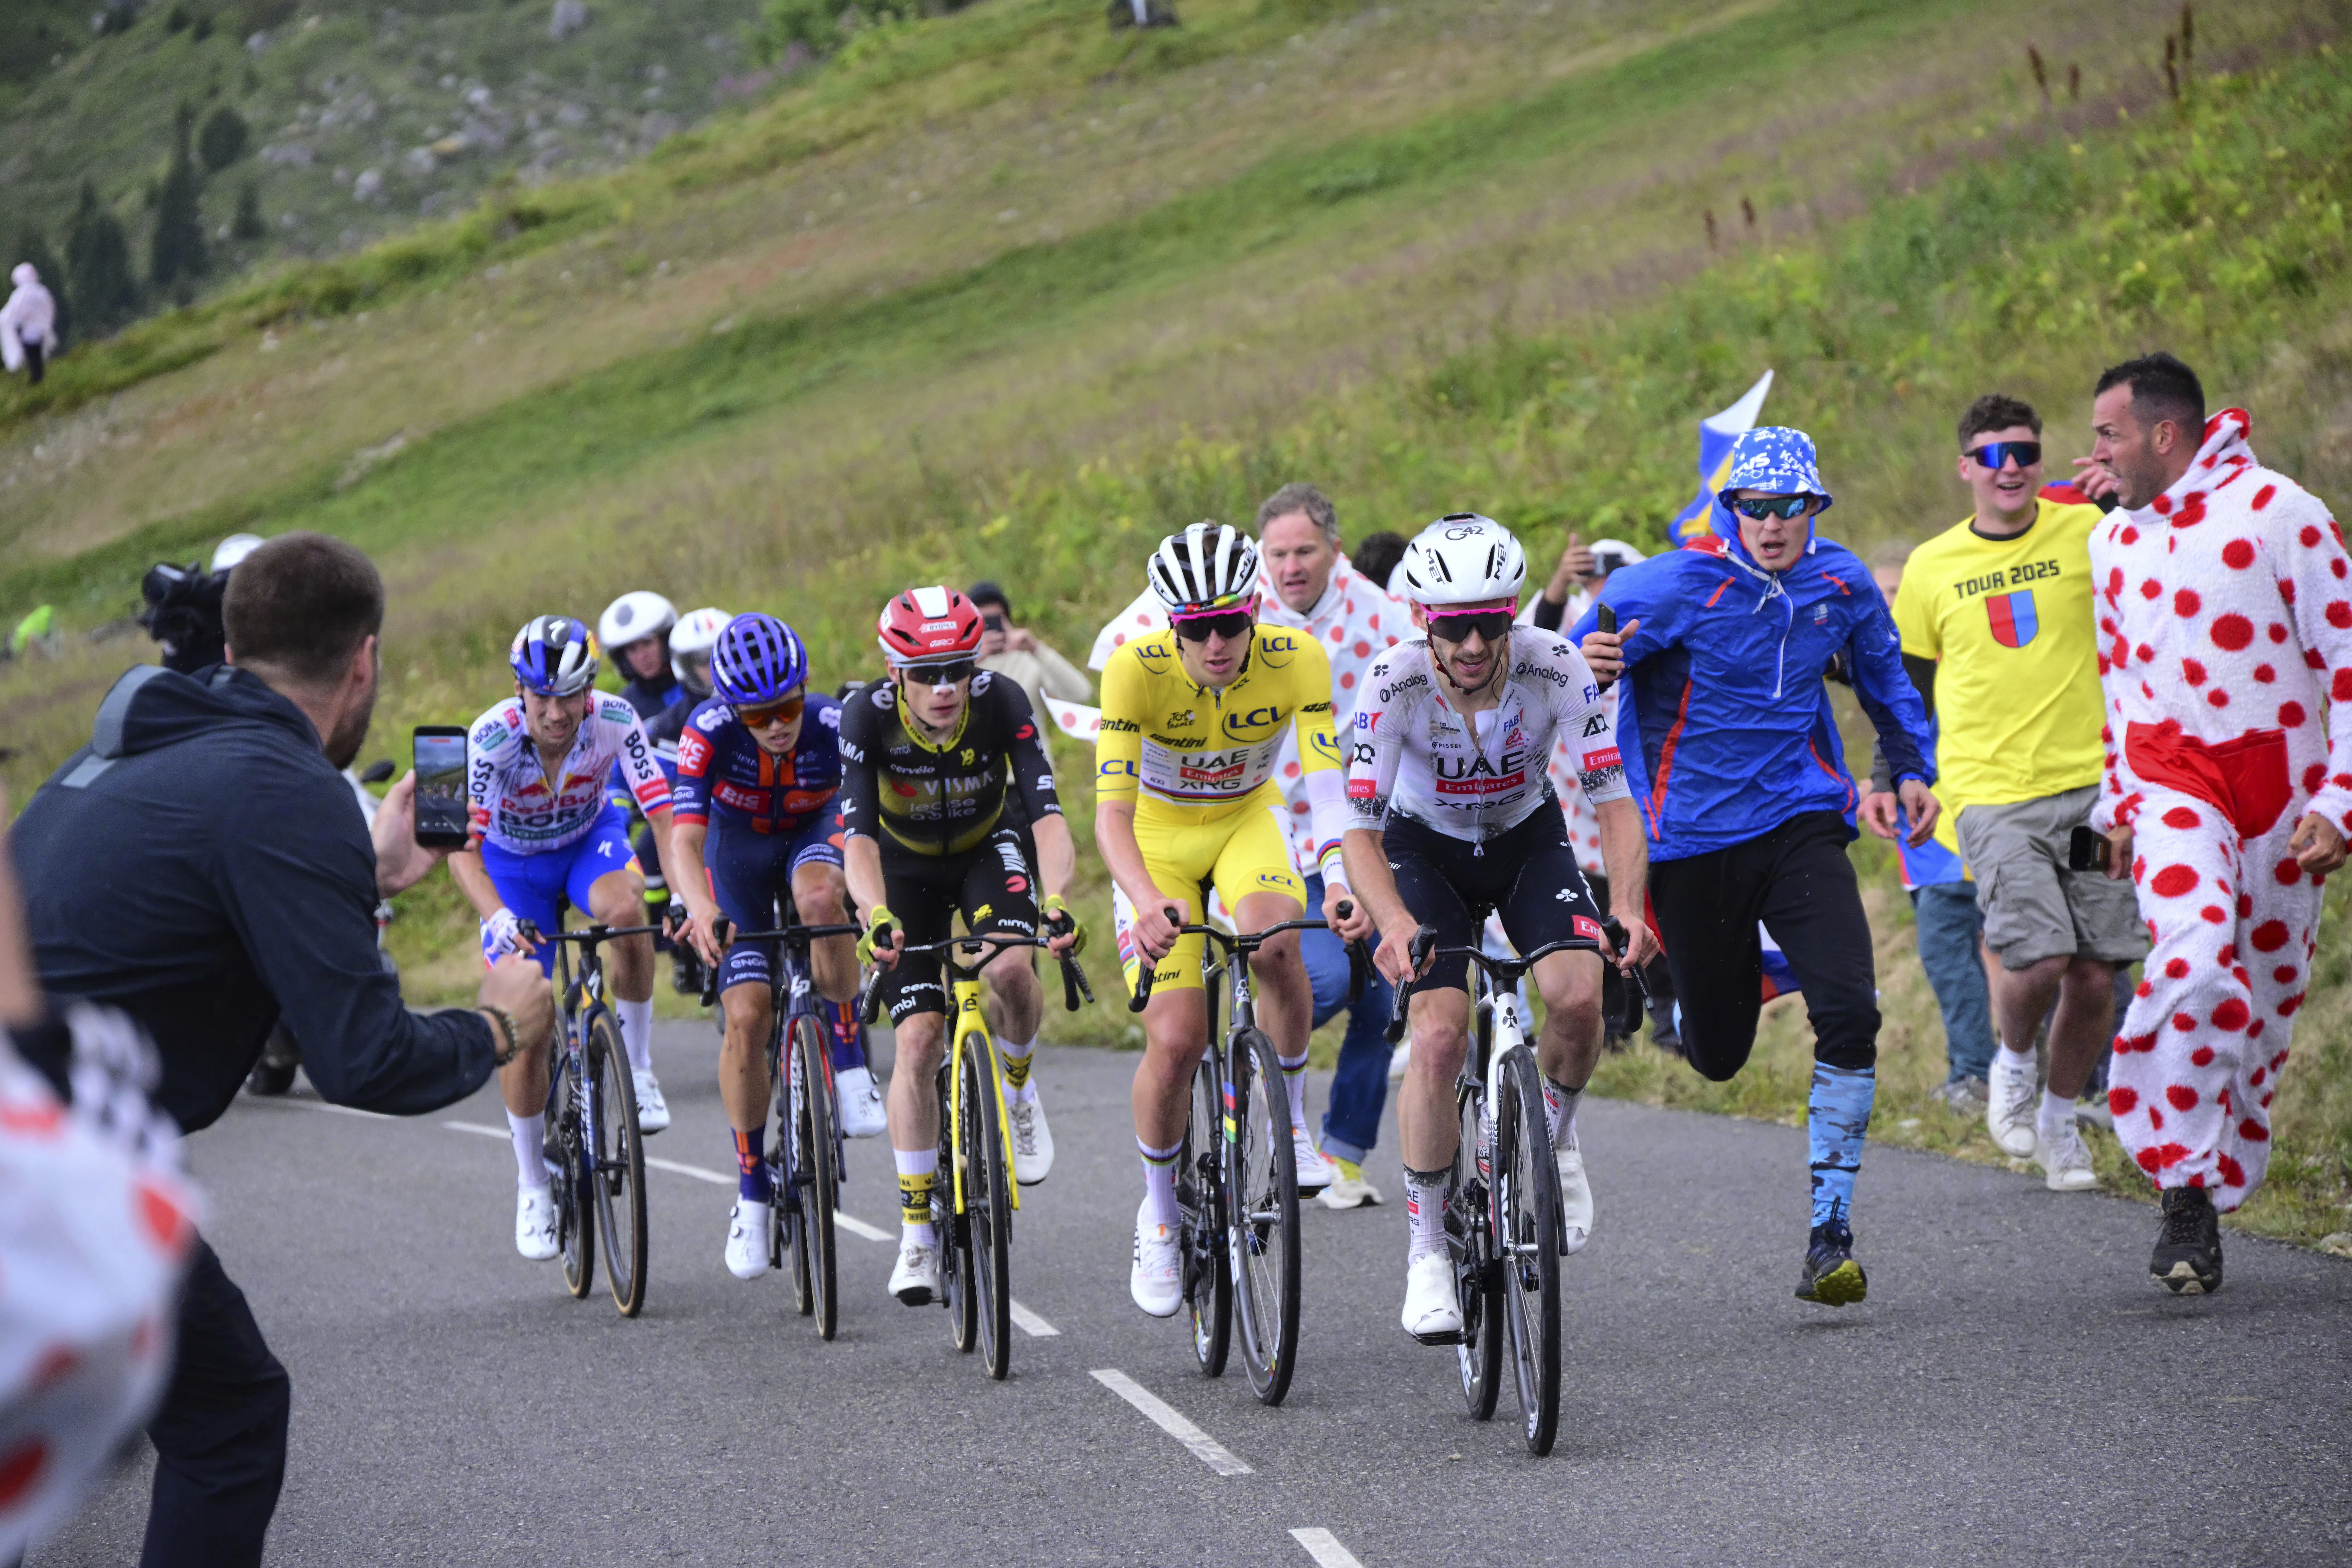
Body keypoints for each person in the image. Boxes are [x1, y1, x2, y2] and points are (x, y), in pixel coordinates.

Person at [9, 532, 553, 1568]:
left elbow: (202, 889)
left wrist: (365, 869)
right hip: (41, 1157)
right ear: (364, 662)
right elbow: (364, 1058)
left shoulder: (139, 747)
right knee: (228, 1416)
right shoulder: (282, 789)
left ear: (231, 643)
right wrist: (496, 1027)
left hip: (41, 1132)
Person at [1575, 427, 1938, 1307]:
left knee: (1852, 1009)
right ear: (1729, 508)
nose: (1772, 524)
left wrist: (1913, 766)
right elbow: (1572, 662)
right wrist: (1592, 657)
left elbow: (1887, 680)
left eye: (1790, 507)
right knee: (1717, 1055)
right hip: (1691, 843)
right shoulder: (1666, 584)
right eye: (1754, 507)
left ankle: (1829, 1233)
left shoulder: (1842, 581)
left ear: (1814, 508)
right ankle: (1695, 978)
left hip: (1800, 819)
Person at [1342, 514, 1657, 1339]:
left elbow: (1614, 802)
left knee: (1580, 998)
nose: (1476, 643)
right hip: (1424, 851)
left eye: (1491, 621)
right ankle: (1427, 1255)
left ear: (1514, 609)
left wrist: (1626, 907)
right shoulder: (1394, 682)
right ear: (1424, 622)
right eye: (1455, 626)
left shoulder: (1556, 667)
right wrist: (1395, 919)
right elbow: (1360, 835)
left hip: (1524, 838)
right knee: (1439, 1037)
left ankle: (1552, 1139)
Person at [2078, 352, 2351, 1293]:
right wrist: (2112, 812)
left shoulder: (2282, 514)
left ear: (2163, 434)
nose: (2094, 453)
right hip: (2171, 787)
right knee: (2191, 961)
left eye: (2106, 433)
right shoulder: (2108, 542)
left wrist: (2337, 802)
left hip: (2279, 794)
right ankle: (2182, 1192)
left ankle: (2213, 1169)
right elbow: (2119, 690)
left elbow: (2346, 665)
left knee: (2264, 1017)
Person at [1089, 483, 1407, 1208]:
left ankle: (1291, 1127)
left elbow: (1329, 791)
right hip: (1156, 836)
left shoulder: (1297, 658)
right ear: (1170, 623)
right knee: (1173, 1041)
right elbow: (1110, 815)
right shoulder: (1133, 670)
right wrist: (1143, 901)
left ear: (1254, 607)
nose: (1214, 645)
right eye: (1195, 629)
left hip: (1244, 820)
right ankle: (1161, 1212)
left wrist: (1335, 876)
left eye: (1229, 624)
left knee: (1275, 944)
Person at [1865, 395, 2141, 1189]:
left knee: (2096, 973)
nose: (2009, 467)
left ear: (2039, 460)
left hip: (2093, 793)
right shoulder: (1932, 565)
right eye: (1991, 456)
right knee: (2041, 952)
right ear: (1966, 469)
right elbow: (1905, 686)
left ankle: (2058, 1121)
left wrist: (2131, 495)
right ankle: (2011, 1064)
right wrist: (1893, 777)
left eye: (2022, 452)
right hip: (1990, 795)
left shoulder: (2091, 532)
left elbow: (2160, 558)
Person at [841, 587, 1080, 1305]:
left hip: (987, 846)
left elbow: (1045, 814)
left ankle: (1017, 1083)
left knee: (1010, 960)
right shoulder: (866, 718)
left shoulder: (1003, 700)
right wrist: (874, 912)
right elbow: (854, 836)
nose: (944, 688)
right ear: (896, 674)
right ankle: (916, 1232)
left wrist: (1058, 897)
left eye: (955, 670)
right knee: (917, 1040)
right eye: (925, 674)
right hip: (902, 870)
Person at [449, 615, 687, 1259]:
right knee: (523, 1008)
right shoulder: (488, 739)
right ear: (519, 691)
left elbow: (663, 816)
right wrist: (498, 916)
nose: (556, 713)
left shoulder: (613, 718)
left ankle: (635, 1069)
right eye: (541, 698)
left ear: (590, 691)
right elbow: (459, 854)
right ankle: (531, 1183)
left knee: (629, 909)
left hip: (588, 842)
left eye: (569, 697)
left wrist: (687, 890)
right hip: (511, 865)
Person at [667, 614, 869, 1280]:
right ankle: (751, 1190)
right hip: (740, 857)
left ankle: (847, 1060)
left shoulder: (832, 721)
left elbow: (870, 816)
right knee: (749, 1015)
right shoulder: (707, 731)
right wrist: (699, 906)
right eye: (759, 716)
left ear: (803, 689)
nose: (778, 725)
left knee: (819, 900)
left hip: (814, 830)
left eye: (787, 707)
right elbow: (685, 839)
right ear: (733, 710)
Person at [1856, 546, 1997, 1109]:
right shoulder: (1887, 658)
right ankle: (1993, 1073)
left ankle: (1982, 1074)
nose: (1889, 605)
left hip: (1967, 830)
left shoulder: (1948, 652)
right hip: (1929, 839)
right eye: (1880, 594)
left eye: (1899, 593)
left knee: (1964, 953)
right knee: (1969, 955)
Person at [966, 579, 1092, 722]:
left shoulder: (1029, 660)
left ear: (1007, 620)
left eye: (996, 619)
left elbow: (1081, 695)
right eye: (984, 622)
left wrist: (1037, 649)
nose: (990, 629)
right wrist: (971, 660)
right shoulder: (965, 667)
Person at [599, 590, 681, 719]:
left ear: (666, 642)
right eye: (632, 650)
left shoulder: (696, 683)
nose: (642, 657)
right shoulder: (623, 710)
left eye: (647, 644)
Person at [0, 263, 58, 385]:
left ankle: (37, 379)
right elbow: (50, 307)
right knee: (38, 354)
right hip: (41, 330)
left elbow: (13, 312)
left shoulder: (21, 294)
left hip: (28, 332)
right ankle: (39, 377)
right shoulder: (41, 291)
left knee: (33, 356)